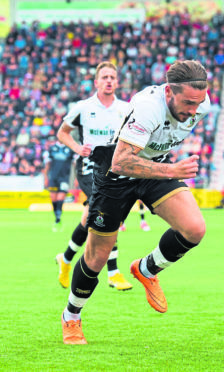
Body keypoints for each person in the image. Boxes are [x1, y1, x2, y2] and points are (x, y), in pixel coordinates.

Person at [61, 60, 211, 344]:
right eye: (188, 103)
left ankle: (146, 269)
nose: (194, 110)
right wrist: (172, 170)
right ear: (169, 91)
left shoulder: (200, 104)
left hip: (154, 168)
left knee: (195, 228)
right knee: (97, 256)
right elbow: (120, 161)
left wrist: (166, 168)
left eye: (199, 102)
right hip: (115, 173)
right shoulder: (148, 107)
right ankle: (71, 316)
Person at [55, 61, 133, 292]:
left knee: (90, 215)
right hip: (90, 165)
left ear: (117, 82)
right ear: (96, 82)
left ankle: (66, 259)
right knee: (108, 209)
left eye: (112, 77)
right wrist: (78, 149)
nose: (109, 80)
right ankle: (114, 272)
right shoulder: (83, 106)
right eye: (105, 77)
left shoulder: (125, 108)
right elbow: (62, 133)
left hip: (114, 167)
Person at [43, 137, 75, 232]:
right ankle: (57, 218)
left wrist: (77, 178)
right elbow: (47, 165)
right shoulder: (52, 148)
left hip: (64, 178)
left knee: (60, 198)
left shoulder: (70, 149)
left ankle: (58, 219)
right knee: (53, 199)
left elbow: (74, 164)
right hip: (53, 178)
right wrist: (45, 177)